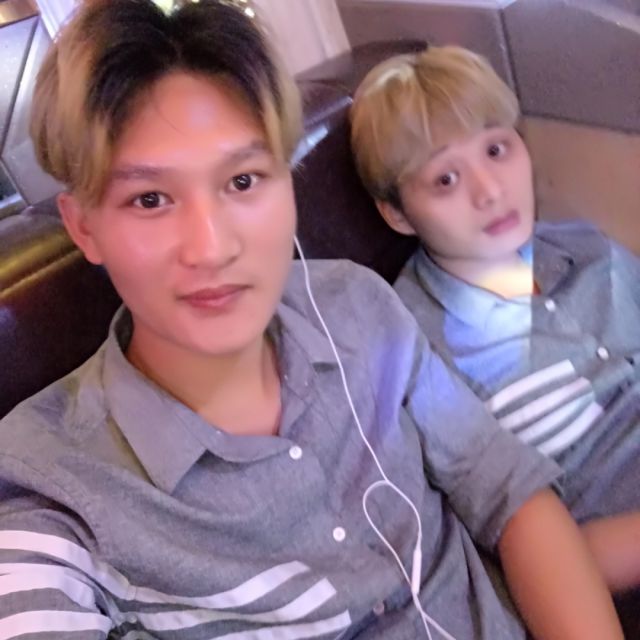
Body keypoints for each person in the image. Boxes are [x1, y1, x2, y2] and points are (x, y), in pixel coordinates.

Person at [0, 3, 623, 639]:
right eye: (150, 199)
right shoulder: (51, 485)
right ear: (84, 227)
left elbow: (508, 493)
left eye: (243, 180)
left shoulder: (358, 308)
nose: (212, 247)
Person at [350, 44, 640, 595]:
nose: (490, 191)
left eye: (496, 149)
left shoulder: (587, 248)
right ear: (397, 213)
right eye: (445, 179)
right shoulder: (415, 348)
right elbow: (535, 562)